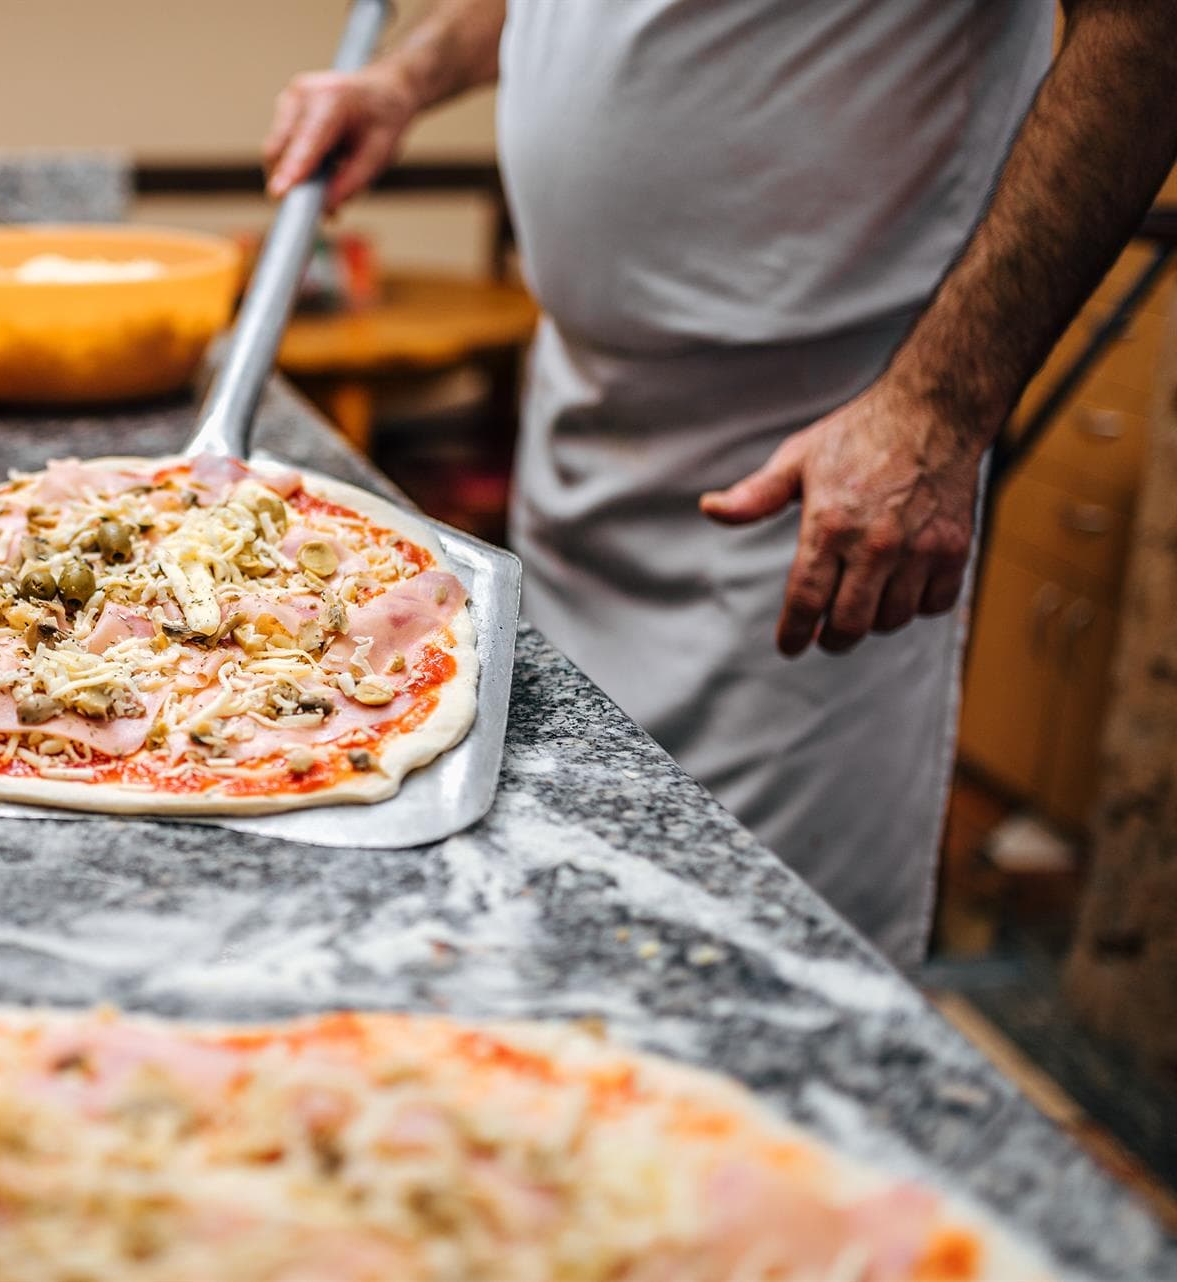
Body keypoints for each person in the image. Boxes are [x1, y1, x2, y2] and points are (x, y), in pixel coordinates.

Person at [263, 0, 1177, 968]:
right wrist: (405, 77)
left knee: (751, 956)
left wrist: (936, 408)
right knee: (548, 917)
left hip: (820, 452)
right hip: (584, 420)